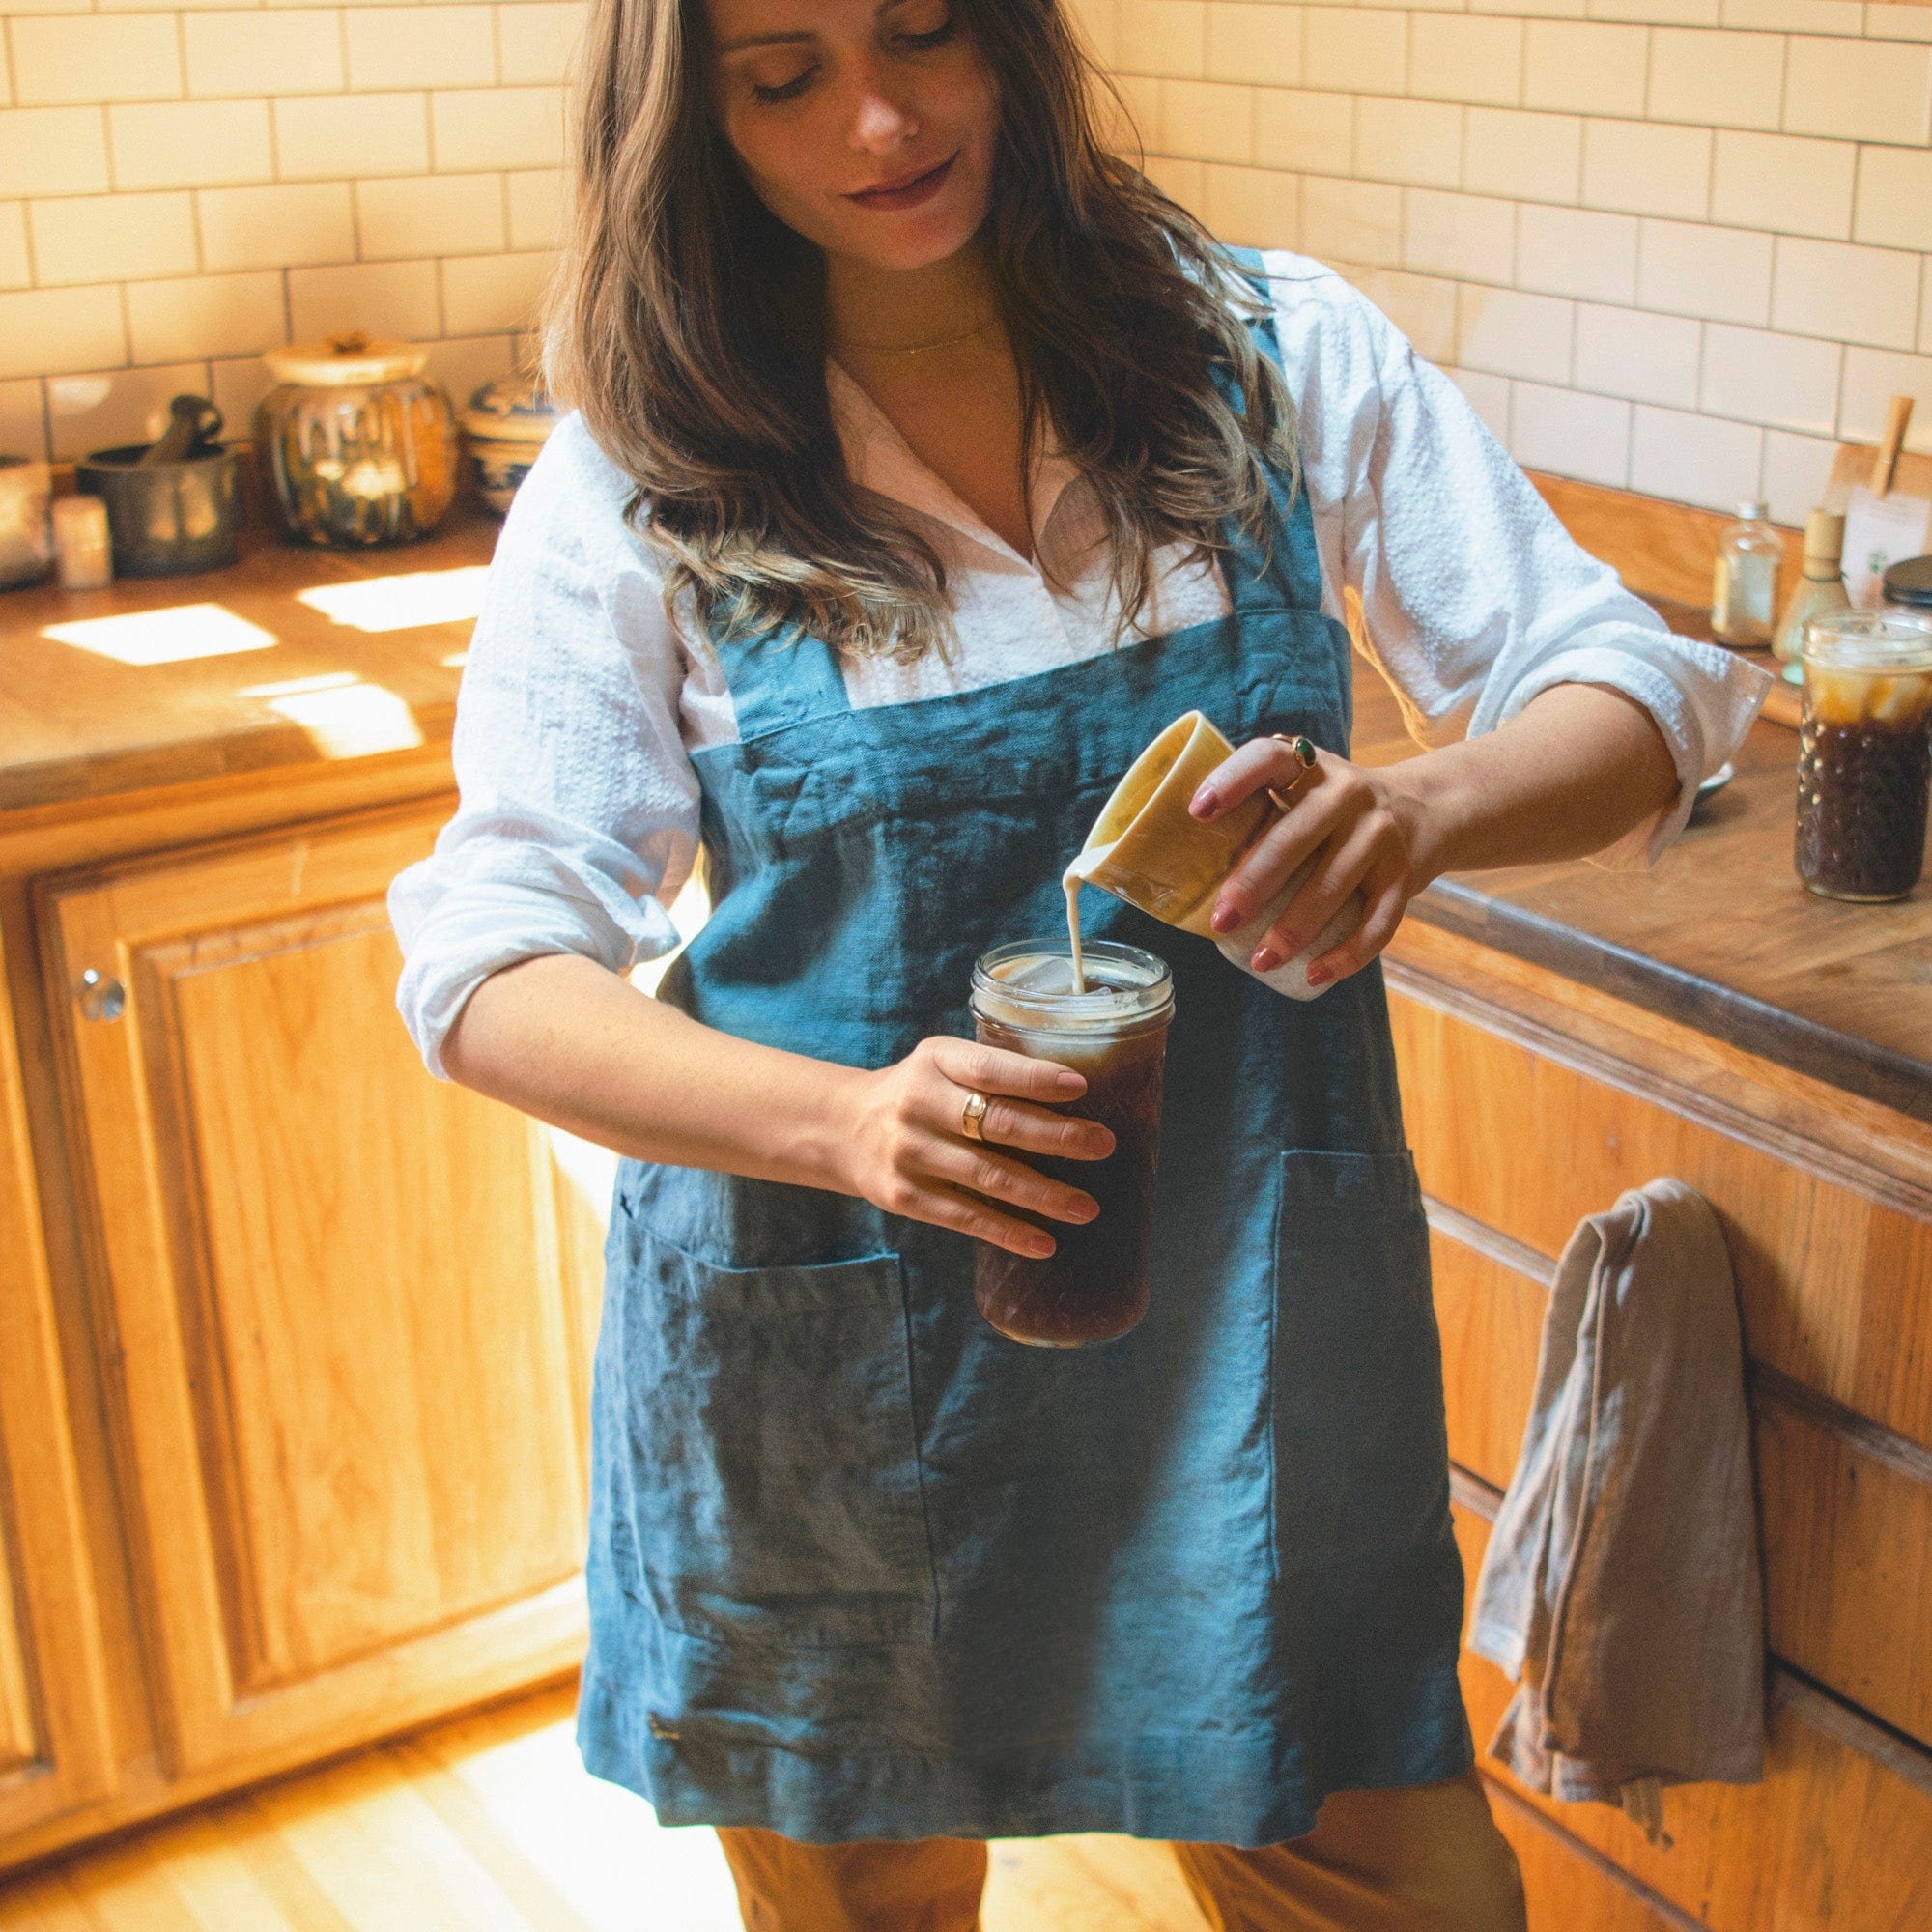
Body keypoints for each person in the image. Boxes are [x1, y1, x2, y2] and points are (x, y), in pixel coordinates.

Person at [388, 0, 1768, 1924]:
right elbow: (489, 966)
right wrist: (855, 1124)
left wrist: (1425, 809)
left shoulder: (1264, 358)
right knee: (864, 1893)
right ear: (690, 123)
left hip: (1250, 1328)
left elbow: (1635, 682)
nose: (876, 118)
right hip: (838, 1350)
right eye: (781, 79)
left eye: (924, 32)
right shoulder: (649, 479)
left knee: (1405, 1883)